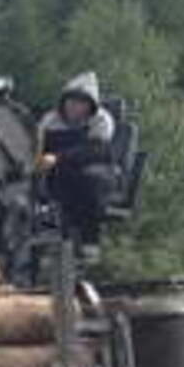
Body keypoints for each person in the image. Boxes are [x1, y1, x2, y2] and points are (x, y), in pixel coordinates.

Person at [36, 71, 117, 250]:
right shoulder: (49, 121)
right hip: (55, 174)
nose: (74, 106)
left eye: (81, 102)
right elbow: (37, 146)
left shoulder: (101, 120)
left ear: (90, 105)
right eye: (71, 100)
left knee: (91, 179)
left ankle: (89, 241)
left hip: (92, 173)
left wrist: (58, 157)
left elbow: (96, 150)